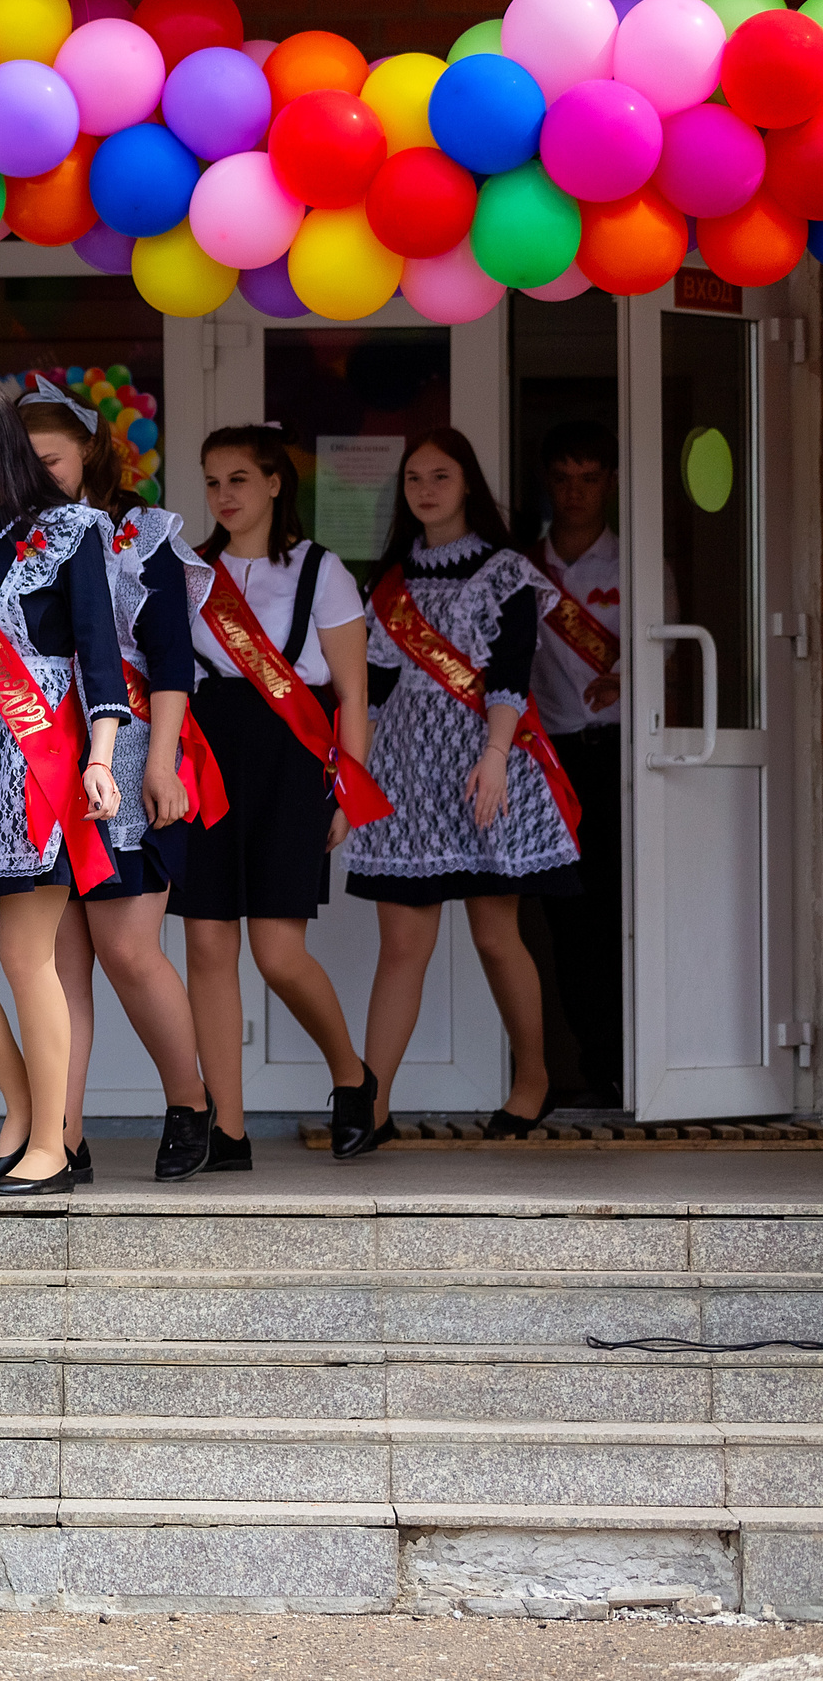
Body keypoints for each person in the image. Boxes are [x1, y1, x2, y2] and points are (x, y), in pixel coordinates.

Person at [343, 429, 583, 1150]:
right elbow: (373, 688)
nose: (425, 489)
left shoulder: (506, 572)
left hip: (484, 766)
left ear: (468, 483)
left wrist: (496, 756)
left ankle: (533, 1078)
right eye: (414, 478)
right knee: (401, 945)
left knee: (495, 935)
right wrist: (355, 775)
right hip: (405, 774)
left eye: (440, 476)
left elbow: (511, 673)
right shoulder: (390, 581)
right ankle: (373, 1107)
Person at [0, 374, 127, 1195]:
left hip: (43, 756)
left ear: (4, 443)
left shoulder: (74, 530)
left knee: (23, 953)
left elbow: (99, 656)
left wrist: (101, 760)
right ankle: (20, 1105)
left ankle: (52, 1142)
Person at [16, 379, 218, 1181]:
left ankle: (189, 1101)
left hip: (129, 756)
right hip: (43, 762)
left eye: (50, 460)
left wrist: (163, 761)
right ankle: (62, 1134)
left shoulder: (141, 533)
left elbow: (170, 660)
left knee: (129, 949)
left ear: (90, 451)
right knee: (60, 961)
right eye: (22, 461)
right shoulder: (14, 538)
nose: (36, 476)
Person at [175, 427, 385, 1162]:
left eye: (238, 479)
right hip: (207, 760)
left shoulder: (322, 570)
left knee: (277, 952)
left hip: (292, 765)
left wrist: (345, 793)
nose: (223, 495)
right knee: (207, 944)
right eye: (212, 481)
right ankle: (229, 1129)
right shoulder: (191, 571)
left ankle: (352, 1077)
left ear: (273, 483)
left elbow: (352, 694)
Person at [525, 419, 626, 1108]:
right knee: (567, 921)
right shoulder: (525, 568)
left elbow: (666, 656)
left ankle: (624, 1067)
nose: (576, 492)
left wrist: (630, 681)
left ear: (610, 483)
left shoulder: (636, 564)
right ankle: (592, 1068)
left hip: (619, 760)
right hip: (549, 759)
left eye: (589, 478)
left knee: (616, 914)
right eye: (563, 478)